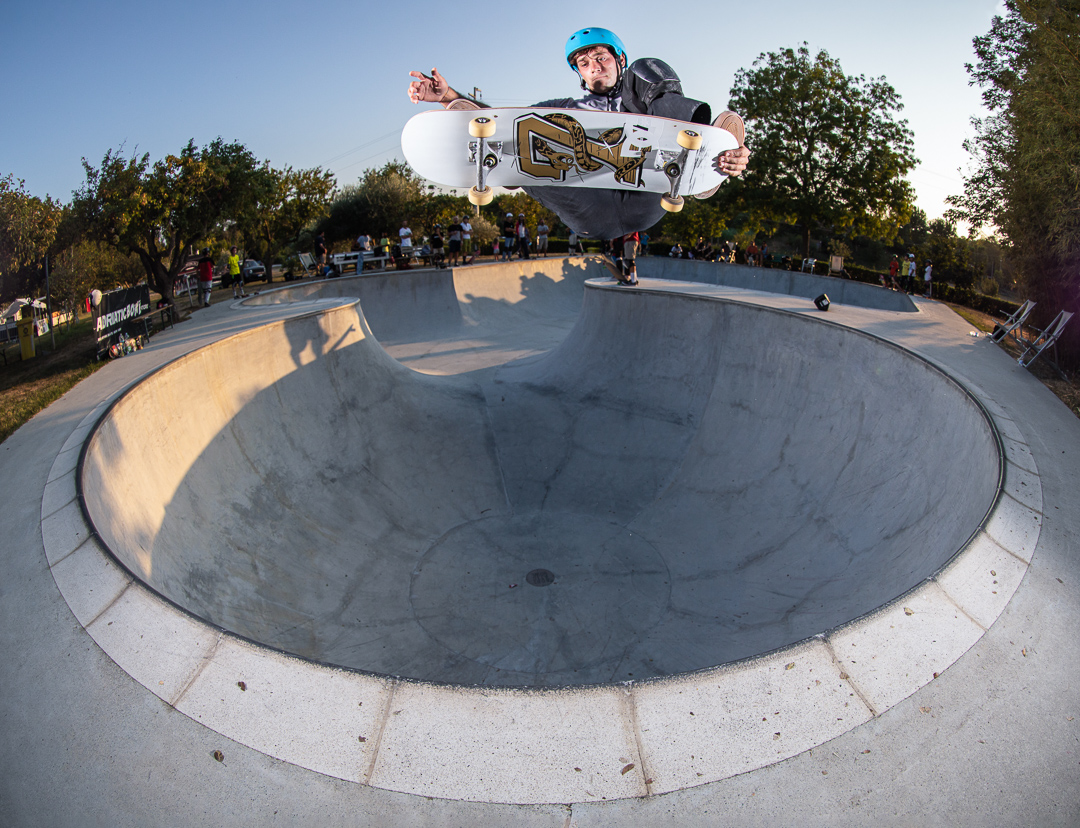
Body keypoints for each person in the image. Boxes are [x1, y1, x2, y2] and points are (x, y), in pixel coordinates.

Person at [408, 28, 749, 240]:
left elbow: (642, 82)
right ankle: (501, 164)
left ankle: (697, 153)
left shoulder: (637, 89)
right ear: (579, 74)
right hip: (590, 212)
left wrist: (729, 156)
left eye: (601, 58)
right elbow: (504, 122)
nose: (594, 67)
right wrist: (448, 97)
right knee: (534, 131)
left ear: (618, 60)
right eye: (585, 64)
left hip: (648, 199)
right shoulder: (564, 108)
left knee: (646, 70)